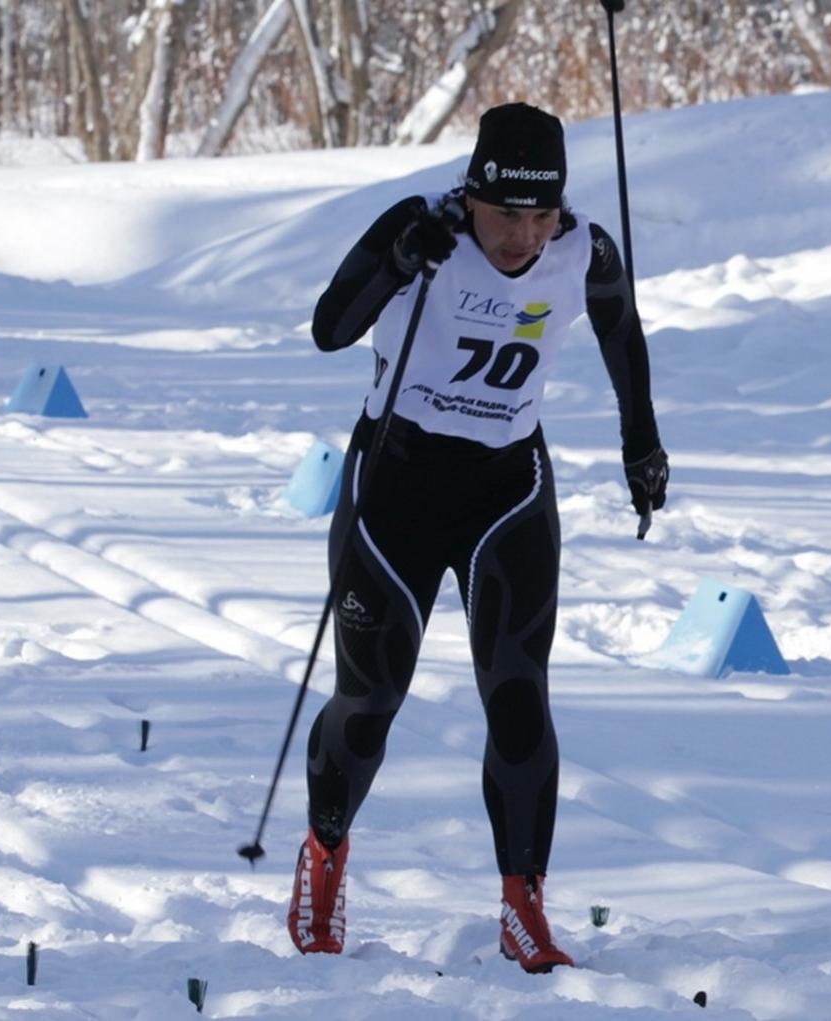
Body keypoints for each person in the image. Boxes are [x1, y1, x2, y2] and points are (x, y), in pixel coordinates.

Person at [287, 102, 668, 973]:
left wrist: (641, 443)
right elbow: (329, 328)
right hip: (395, 487)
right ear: (471, 196)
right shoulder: (421, 225)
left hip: (507, 489)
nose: (523, 237)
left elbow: (622, 331)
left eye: (541, 215)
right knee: (370, 700)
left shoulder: (583, 249)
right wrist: (396, 262)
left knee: (519, 695)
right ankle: (325, 854)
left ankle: (523, 903)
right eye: (505, 215)